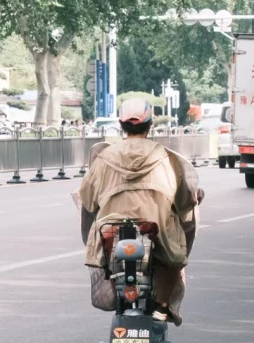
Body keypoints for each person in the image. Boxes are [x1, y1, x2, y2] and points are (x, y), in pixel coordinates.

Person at [79, 94, 202, 324]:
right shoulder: (166, 157)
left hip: (111, 226)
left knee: (109, 258)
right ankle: (162, 307)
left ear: (121, 125)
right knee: (172, 260)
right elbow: (185, 199)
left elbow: (87, 198)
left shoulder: (104, 157)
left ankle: (121, 294)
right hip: (157, 227)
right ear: (150, 125)